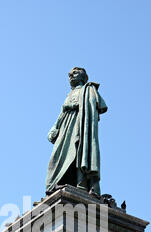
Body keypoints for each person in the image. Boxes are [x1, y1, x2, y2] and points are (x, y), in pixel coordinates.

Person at [46, 67, 107, 196]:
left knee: (80, 149)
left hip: (79, 123)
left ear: (83, 77)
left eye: (75, 73)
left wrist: (75, 108)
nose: (71, 76)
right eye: (69, 74)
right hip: (65, 127)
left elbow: (94, 107)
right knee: (57, 156)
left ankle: (82, 184)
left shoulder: (88, 89)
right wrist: (55, 127)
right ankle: (56, 182)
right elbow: (62, 113)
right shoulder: (69, 94)